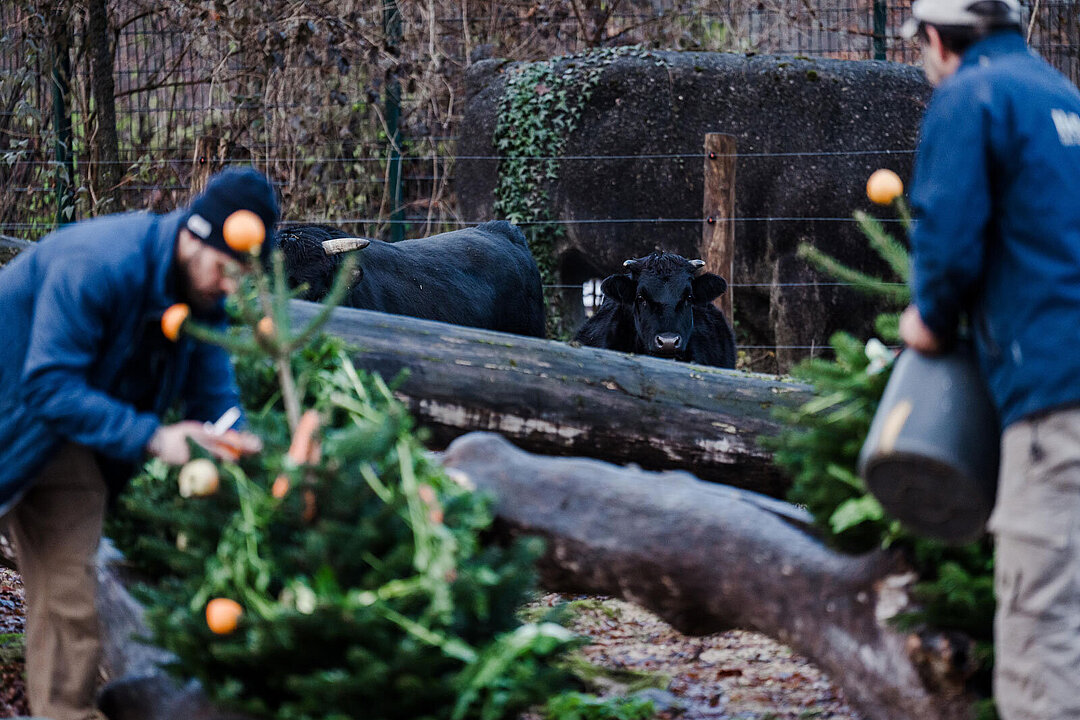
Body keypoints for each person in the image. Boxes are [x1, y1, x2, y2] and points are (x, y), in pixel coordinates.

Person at [0, 167, 278, 720]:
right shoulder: (97, 265)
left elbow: (214, 393)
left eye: (240, 277)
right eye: (227, 269)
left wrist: (240, 450)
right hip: (25, 410)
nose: (229, 287)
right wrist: (155, 437)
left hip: (60, 430)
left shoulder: (197, 295)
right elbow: (48, 382)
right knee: (72, 590)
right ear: (195, 235)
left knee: (71, 591)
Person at [897, 1, 1080, 718]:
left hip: (1053, 396)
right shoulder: (1064, 97)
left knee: (1041, 628)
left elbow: (948, 242)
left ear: (939, 39)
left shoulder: (970, 98)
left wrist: (929, 320)